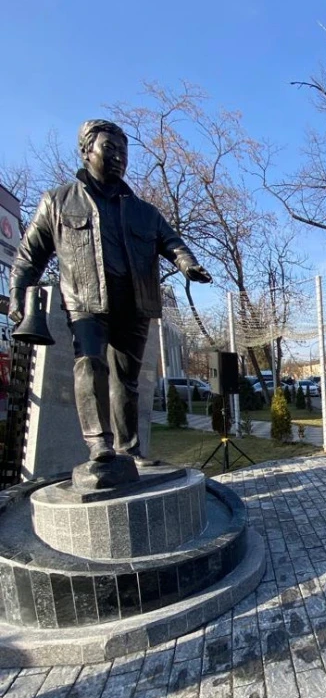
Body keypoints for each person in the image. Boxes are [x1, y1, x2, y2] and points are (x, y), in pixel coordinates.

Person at [9, 119, 211, 464]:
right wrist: (18, 292)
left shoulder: (144, 212)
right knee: (90, 363)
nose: (119, 157)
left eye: (124, 152)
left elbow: (172, 241)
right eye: (110, 148)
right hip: (86, 301)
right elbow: (30, 256)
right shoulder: (57, 202)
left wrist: (186, 262)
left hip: (135, 303)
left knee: (127, 380)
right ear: (86, 151)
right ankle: (98, 443)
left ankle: (129, 448)